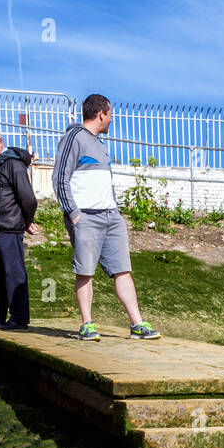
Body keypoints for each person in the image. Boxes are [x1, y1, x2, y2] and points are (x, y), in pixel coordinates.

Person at [52, 93, 160, 341]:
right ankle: (87, 324)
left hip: (111, 216)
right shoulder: (74, 137)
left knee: (123, 270)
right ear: (101, 114)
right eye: (110, 114)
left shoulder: (100, 145)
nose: (112, 120)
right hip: (85, 217)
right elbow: (59, 178)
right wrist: (74, 214)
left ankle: (137, 323)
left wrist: (116, 211)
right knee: (85, 271)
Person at [0, 125, 36, 330]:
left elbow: (28, 198)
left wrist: (27, 220)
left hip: (9, 227)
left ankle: (19, 318)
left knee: (13, 272)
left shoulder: (12, 163)